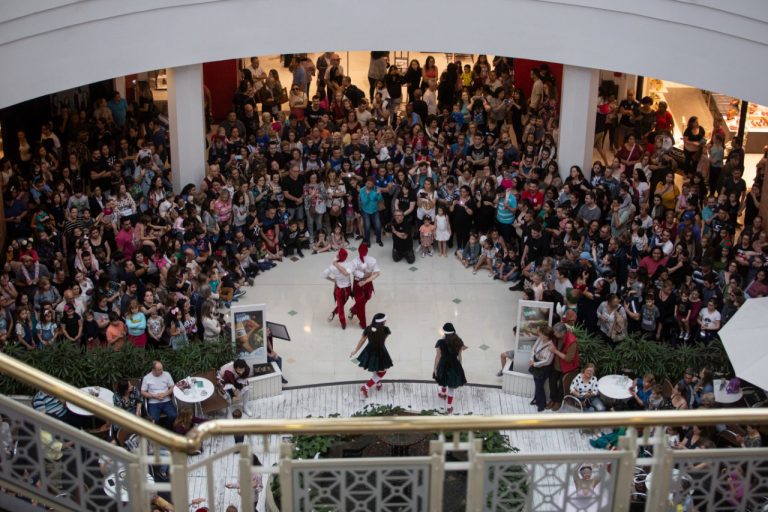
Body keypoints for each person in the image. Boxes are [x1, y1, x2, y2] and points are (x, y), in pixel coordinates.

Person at [349, 313, 393, 398]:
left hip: (369, 350)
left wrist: (355, 351)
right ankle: (366, 387)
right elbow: (383, 340)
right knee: (383, 371)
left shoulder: (368, 328)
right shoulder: (386, 330)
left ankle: (378, 383)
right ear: (382, 322)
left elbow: (362, 340)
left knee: (374, 367)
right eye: (385, 320)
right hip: (380, 351)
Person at [433, 322, 468, 414]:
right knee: (451, 387)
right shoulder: (459, 341)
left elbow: (438, 356)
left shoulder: (440, 342)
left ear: (444, 332)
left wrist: (435, 368)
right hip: (454, 365)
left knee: (443, 380)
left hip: (443, 364)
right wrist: (460, 366)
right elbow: (460, 356)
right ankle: (449, 407)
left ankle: (442, 393)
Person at [321, 248, 357, 329]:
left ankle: (340, 320)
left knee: (340, 306)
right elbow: (347, 272)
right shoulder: (349, 265)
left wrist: (333, 280)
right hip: (347, 289)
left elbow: (323, 275)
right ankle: (339, 318)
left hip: (338, 288)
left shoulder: (333, 266)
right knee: (342, 304)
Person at [348, 243, 380, 329]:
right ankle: (363, 323)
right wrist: (366, 278)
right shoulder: (372, 260)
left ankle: (354, 309)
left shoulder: (354, 261)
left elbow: (351, 271)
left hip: (358, 283)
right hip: (366, 282)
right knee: (361, 305)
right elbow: (377, 274)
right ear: (367, 251)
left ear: (358, 251)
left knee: (366, 298)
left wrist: (363, 278)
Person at [141, 361, 177, 427]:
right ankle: (157, 431)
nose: (162, 371)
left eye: (162, 369)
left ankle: (166, 427)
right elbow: (143, 392)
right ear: (153, 370)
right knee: (154, 419)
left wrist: (165, 394)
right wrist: (154, 396)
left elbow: (172, 387)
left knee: (174, 416)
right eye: (159, 370)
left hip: (166, 400)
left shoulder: (167, 374)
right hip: (153, 402)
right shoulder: (146, 378)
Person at [529, 325, 555, 412]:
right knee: (537, 383)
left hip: (543, 367)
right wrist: (532, 359)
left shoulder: (551, 345)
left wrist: (535, 364)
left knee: (539, 385)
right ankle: (536, 399)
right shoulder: (540, 339)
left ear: (547, 336)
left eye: (542, 334)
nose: (540, 335)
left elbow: (548, 361)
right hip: (535, 363)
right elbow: (533, 349)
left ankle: (542, 404)